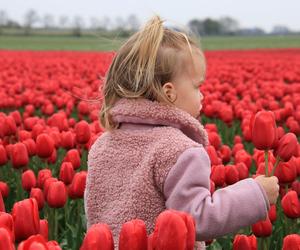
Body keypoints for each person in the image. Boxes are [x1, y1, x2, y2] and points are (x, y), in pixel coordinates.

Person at [84, 14, 279, 249]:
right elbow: (197, 218)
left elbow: (95, 213)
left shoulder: (103, 144)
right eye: (197, 86)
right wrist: (255, 194)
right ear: (169, 92)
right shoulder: (178, 150)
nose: (202, 95)